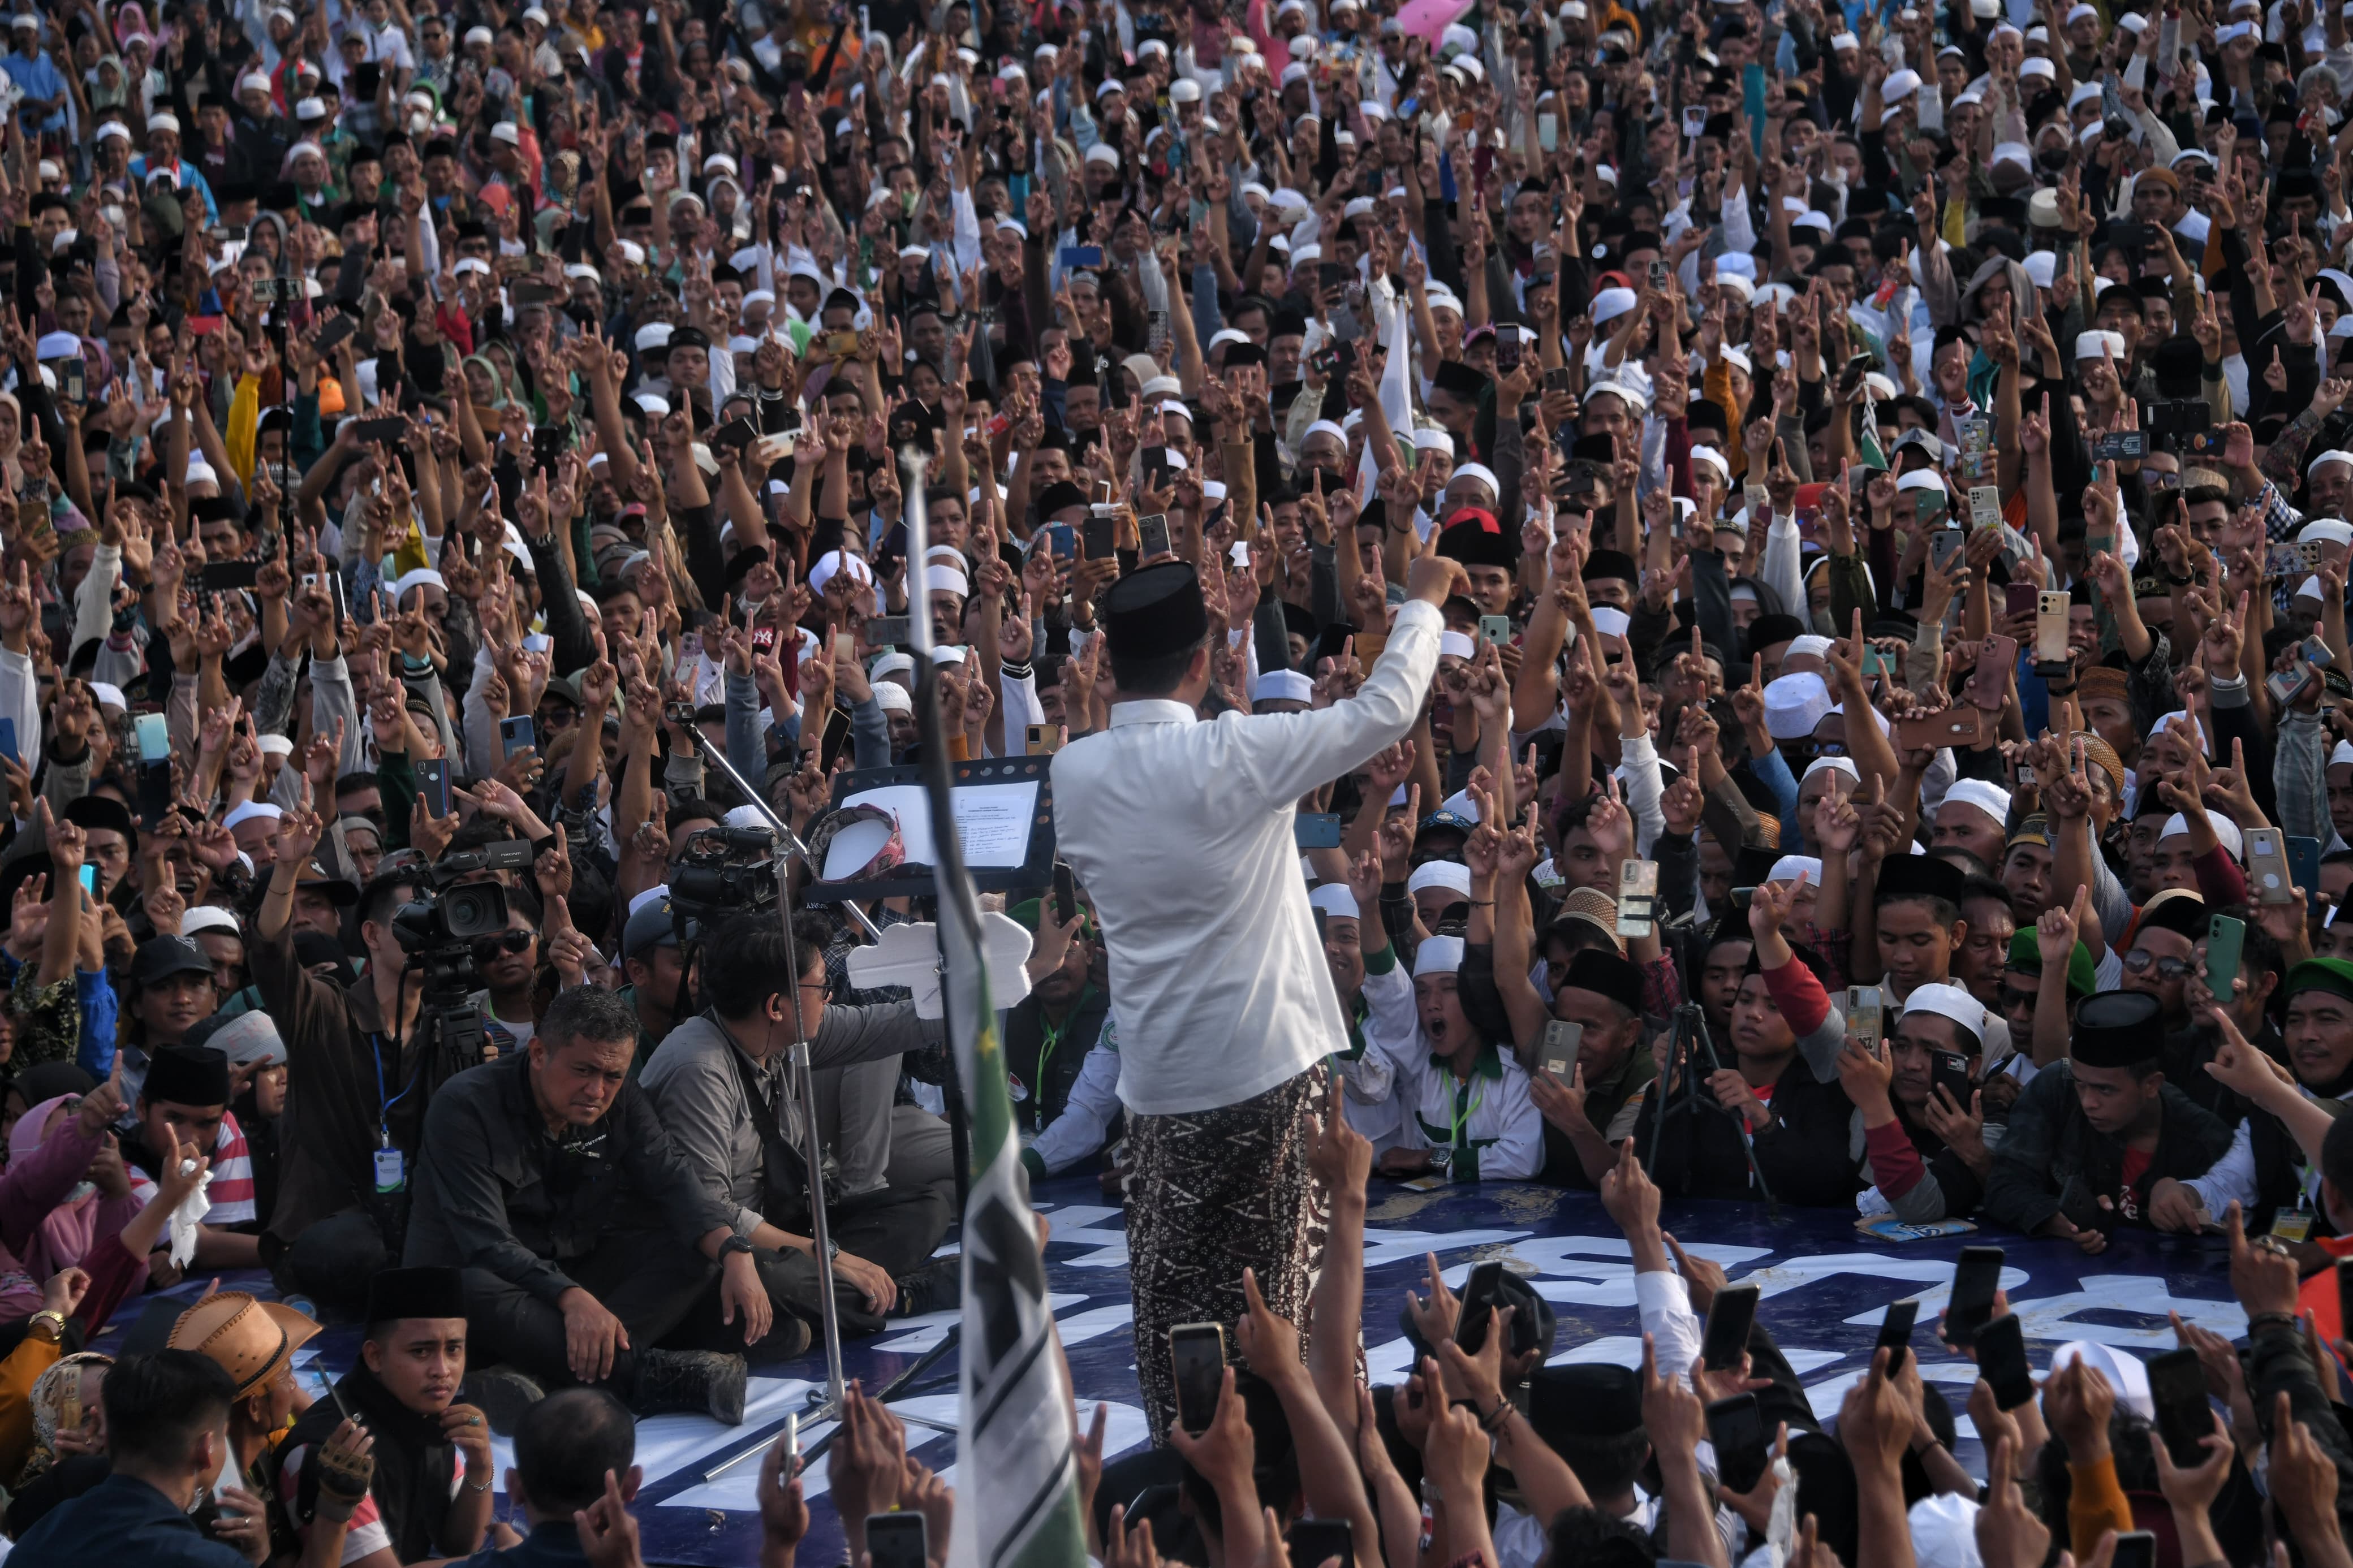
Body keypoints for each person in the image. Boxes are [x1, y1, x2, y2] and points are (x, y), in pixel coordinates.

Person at [1050, 551, 1461, 1433]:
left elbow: (1184, 775)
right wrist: (1422, 601)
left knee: (1177, 1314)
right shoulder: (1236, 752)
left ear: (1110, 668)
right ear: (1203, 663)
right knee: (1294, 1310)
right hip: (1270, 1077)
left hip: (1158, 1088)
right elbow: (1386, 709)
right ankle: (1317, 1490)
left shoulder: (1073, 775)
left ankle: (1190, 1486)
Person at [402, 984, 771, 1430]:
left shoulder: (626, 1101)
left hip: (569, 1269)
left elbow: (677, 1185)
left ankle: (538, 1374)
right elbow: (485, 1241)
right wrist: (571, 1297)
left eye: (612, 1076)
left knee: (698, 1249)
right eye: (583, 1070)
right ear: (538, 1053)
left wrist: (735, 1250)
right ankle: (652, 1376)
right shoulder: (465, 1105)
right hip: (487, 1283)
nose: (597, 1090)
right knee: (466, 1286)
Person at [640, 910, 959, 1345]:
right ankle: (896, 1295)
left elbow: (884, 1026)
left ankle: (836, 1301)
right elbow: (713, 1212)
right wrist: (831, 1256)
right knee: (780, 1284)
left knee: (927, 1207)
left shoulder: (784, 1033)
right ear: (776, 1006)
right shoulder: (698, 1068)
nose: (828, 999)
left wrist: (1011, 977)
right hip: (721, 1252)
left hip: (786, 1228)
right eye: (822, 987)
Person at [1984, 989, 2255, 1250]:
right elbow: (2004, 1184)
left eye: (2105, 1089)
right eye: (2081, 1084)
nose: (2088, 1101)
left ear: (2151, 1085)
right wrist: (2057, 1220)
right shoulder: (2057, 1088)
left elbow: (2245, 1215)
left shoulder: (2203, 1139)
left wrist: (2184, 1207)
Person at [278, 1267, 495, 1565]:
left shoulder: (428, 1418)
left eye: (454, 1349)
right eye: (421, 1352)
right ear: (375, 1357)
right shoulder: (330, 1451)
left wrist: (480, 1465)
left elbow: (460, 1543)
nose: (443, 1370)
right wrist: (505, 1562)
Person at [5, 1350, 254, 1567]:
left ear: (109, 1432)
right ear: (206, 1449)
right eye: (84, 1419)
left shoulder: (38, 1537)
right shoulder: (209, 1561)